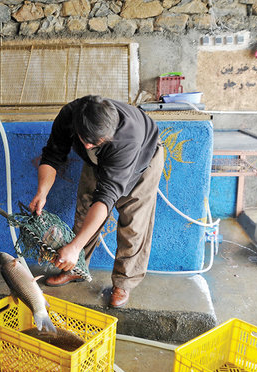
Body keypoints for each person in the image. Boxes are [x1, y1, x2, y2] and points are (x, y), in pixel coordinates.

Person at [29, 95, 164, 308]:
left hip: (141, 161)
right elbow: (52, 157)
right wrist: (42, 192)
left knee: (134, 224)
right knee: (84, 211)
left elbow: (106, 197)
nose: (89, 144)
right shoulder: (69, 116)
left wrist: (73, 247)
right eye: (86, 141)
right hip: (98, 162)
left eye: (96, 142)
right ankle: (77, 268)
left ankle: (123, 282)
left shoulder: (127, 137)